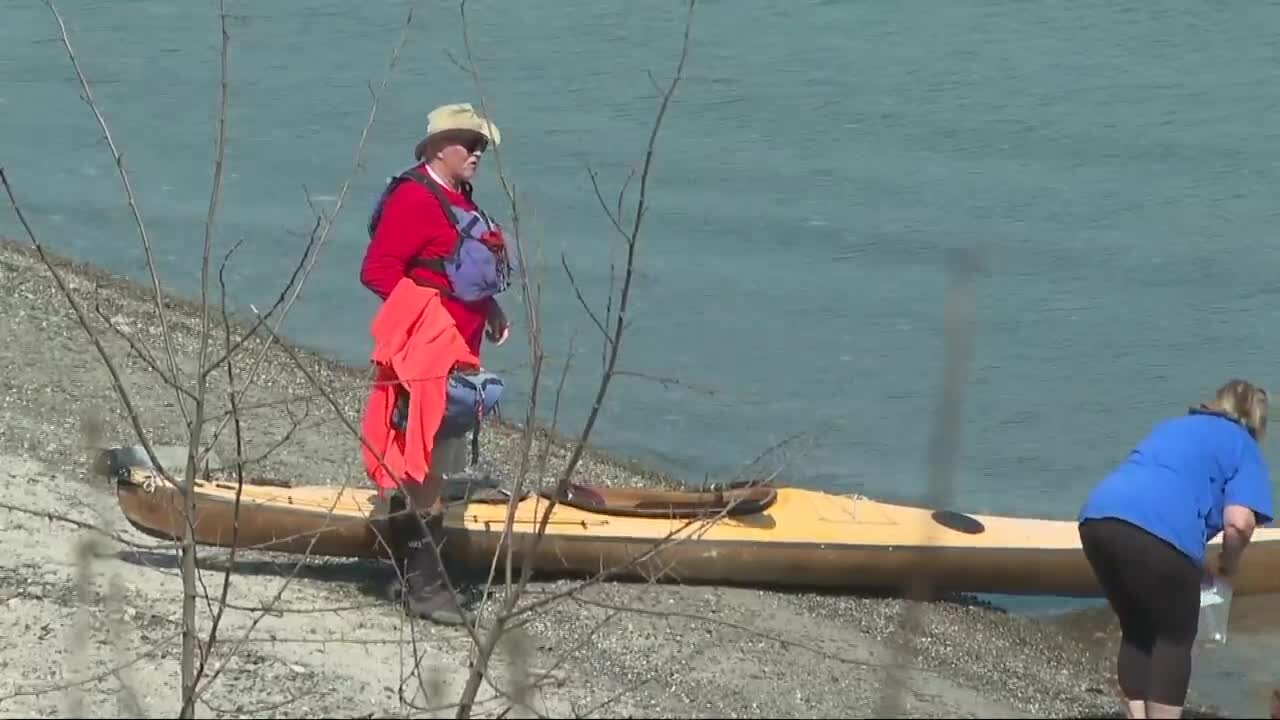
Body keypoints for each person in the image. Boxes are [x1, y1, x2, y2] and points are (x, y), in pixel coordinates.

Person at [358, 102, 512, 626]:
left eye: (480, 147)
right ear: (435, 148)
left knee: (427, 460)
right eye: (467, 144)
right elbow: (378, 271)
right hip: (425, 355)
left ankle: (402, 573)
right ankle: (426, 589)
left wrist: (486, 306)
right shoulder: (412, 198)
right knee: (427, 467)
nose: (476, 154)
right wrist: (427, 322)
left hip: (458, 354)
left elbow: (451, 269)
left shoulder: (458, 199)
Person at [1077, 379, 1275, 719]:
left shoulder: (1174, 426)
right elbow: (1239, 522)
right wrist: (1228, 565)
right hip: (1163, 532)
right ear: (1256, 420)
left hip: (1098, 518)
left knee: (1137, 628)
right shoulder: (1243, 444)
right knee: (1175, 636)